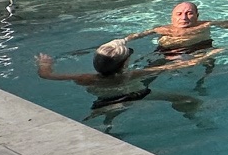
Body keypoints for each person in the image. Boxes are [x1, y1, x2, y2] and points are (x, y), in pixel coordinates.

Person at [35, 40, 218, 118]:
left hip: (104, 101)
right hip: (138, 95)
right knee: (187, 99)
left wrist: (44, 63)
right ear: (125, 64)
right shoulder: (132, 74)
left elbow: (47, 76)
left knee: (108, 117)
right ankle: (192, 115)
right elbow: (170, 67)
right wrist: (208, 54)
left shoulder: (86, 78)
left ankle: (108, 124)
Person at [124, 1, 228, 58]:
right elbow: (139, 35)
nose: (184, 17)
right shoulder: (163, 29)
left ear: (197, 15)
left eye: (189, 13)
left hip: (201, 49)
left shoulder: (205, 25)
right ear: (172, 17)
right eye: (179, 14)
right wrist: (123, 41)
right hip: (167, 52)